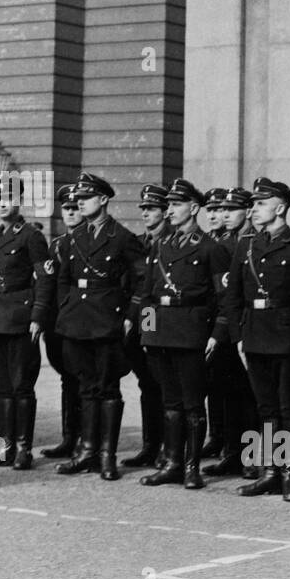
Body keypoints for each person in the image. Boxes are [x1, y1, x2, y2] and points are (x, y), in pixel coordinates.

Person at [224, 177, 290, 501]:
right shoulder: (246, 246)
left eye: (260, 203)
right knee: (265, 407)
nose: (254, 209)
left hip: (288, 335)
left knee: (289, 408)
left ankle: (289, 475)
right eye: (253, 204)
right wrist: (238, 336)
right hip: (254, 333)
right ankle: (270, 471)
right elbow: (233, 296)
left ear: (280, 207)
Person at [54, 172, 146, 480]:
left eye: (86, 198)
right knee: (85, 387)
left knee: (108, 389)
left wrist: (131, 317)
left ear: (103, 200)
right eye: (77, 199)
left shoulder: (122, 238)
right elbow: (64, 278)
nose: (79, 203)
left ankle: (107, 455)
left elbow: (141, 281)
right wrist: (65, 309)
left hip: (107, 321)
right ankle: (87, 451)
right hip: (76, 321)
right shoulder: (73, 238)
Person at [138, 179, 229, 489]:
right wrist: (147, 334)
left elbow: (223, 299)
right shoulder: (161, 245)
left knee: (192, 403)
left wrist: (216, 335)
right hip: (161, 331)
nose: (170, 210)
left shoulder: (210, 248)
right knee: (170, 402)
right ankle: (173, 463)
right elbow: (147, 294)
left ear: (193, 208)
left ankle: (192, 467)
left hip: (191, 332)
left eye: (176, 205)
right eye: (169, 205)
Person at [0, 175, 54, 470]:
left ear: (18, 202)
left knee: (22, 387)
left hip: (20, 317)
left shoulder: (31, 236)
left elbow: (45, 278)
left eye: (9, 198)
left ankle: (23, 450)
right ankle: (0, 450)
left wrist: (38, 316)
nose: (3, 203)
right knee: (1, 387)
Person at [204, 186, 261, 478]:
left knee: (262, 398)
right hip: (229, 327)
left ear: (249, 211)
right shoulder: (223, 244)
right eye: (220, 209)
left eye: (231, 209)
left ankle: (267, 461)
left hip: (261, 327)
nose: (224, 215)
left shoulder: (257, 242)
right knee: (230, 393)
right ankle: (233, 452)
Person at [123, 183, 171, 468]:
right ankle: (150, 445)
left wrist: (146, 327)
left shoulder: (172, 241)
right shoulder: (138, 243)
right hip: (140, 321)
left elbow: (148, 290)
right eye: (143, 208)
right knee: (147, 384)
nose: (145, 214)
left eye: (151, 209)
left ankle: (169, 447)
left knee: (163, 384)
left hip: (157, 321)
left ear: (165, 212)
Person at [41, 184, 83, 459]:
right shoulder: (56, 245)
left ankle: (90, 440)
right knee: (68, 381)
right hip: (58, 325)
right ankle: (70, 438)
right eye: (66, 208)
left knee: (88, 382)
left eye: (76, 208)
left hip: (84, 323)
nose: (70, 213)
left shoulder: (90, 242)